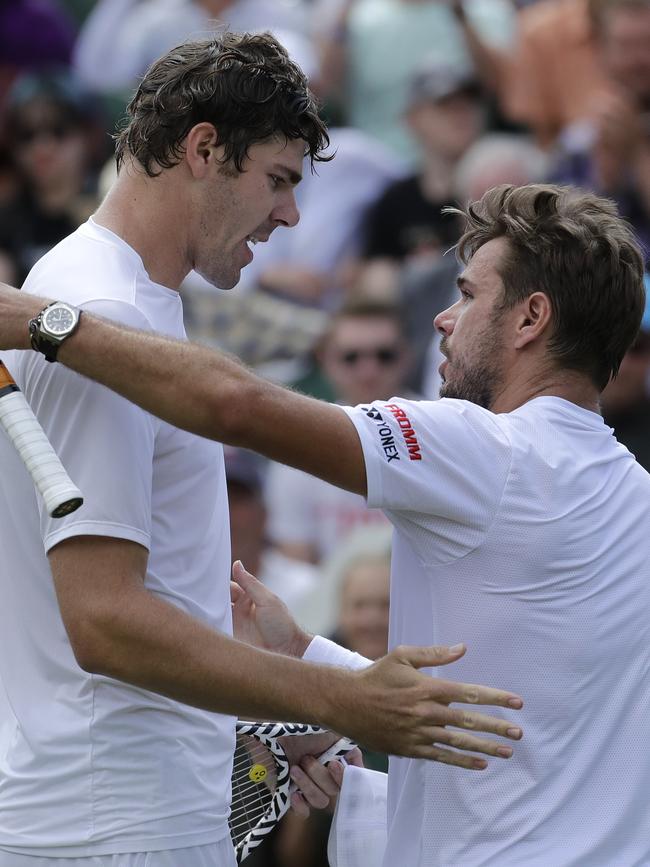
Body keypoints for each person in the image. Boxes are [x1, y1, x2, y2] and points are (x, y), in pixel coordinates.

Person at [4, 181, 649, 865]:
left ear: (531, 319)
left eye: (466, 294)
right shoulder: (636, 496)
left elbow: (236, 407)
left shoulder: (484, 448)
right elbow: (526, 717)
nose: (441, 318)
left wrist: (42, 322)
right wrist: (312, 655)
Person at [0, 33, 525, 867]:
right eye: (278, 181)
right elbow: (102, 622)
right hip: (114, 826)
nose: (290, 215)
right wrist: (349, 698)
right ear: (204, 149)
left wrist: (264, 723)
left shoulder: (116, 302)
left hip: (123, 809)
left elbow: (136, 604)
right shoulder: (104, 311)